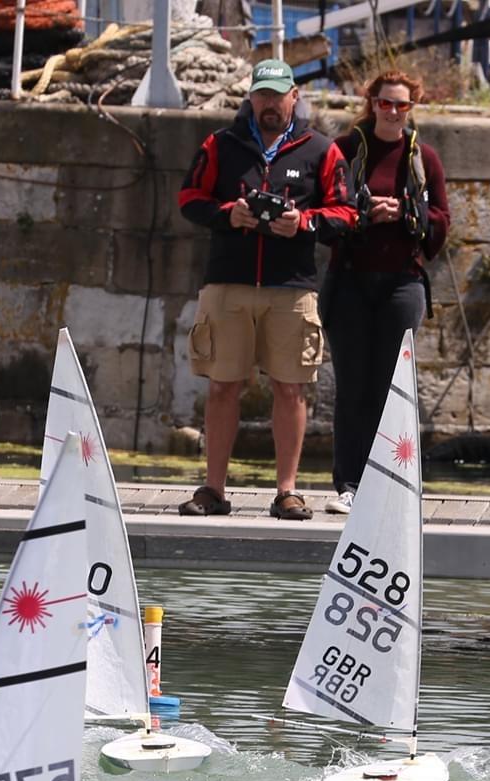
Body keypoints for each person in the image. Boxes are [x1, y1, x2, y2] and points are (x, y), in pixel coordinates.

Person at [177, 59, 356, 521]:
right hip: (228, 283)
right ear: (250, 98)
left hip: (291, 287)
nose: (270, 104)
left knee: (291, 388)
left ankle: (287, 492)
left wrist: (305, 222)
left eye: (279, 95)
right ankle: (213, 489)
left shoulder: (321, 149)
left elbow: (347, 213)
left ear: (295, 96)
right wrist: (226, 213)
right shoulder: (220, 144)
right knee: (221, 386)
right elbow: (188, 199)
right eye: (262, 95)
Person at [321, 70, 450, 514]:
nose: (393, 112)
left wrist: (407, 212)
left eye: (401, 105)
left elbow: (440, 223)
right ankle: (349, 482)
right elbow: (325, 211)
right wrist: (361, 213)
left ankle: (393, 481)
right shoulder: (345, 149)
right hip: (352, 280)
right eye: (385, 103)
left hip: (402, 280)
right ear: (371, 103)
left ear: (411, 108)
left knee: (392, 386)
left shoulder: (423, 157)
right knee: (352, 384)